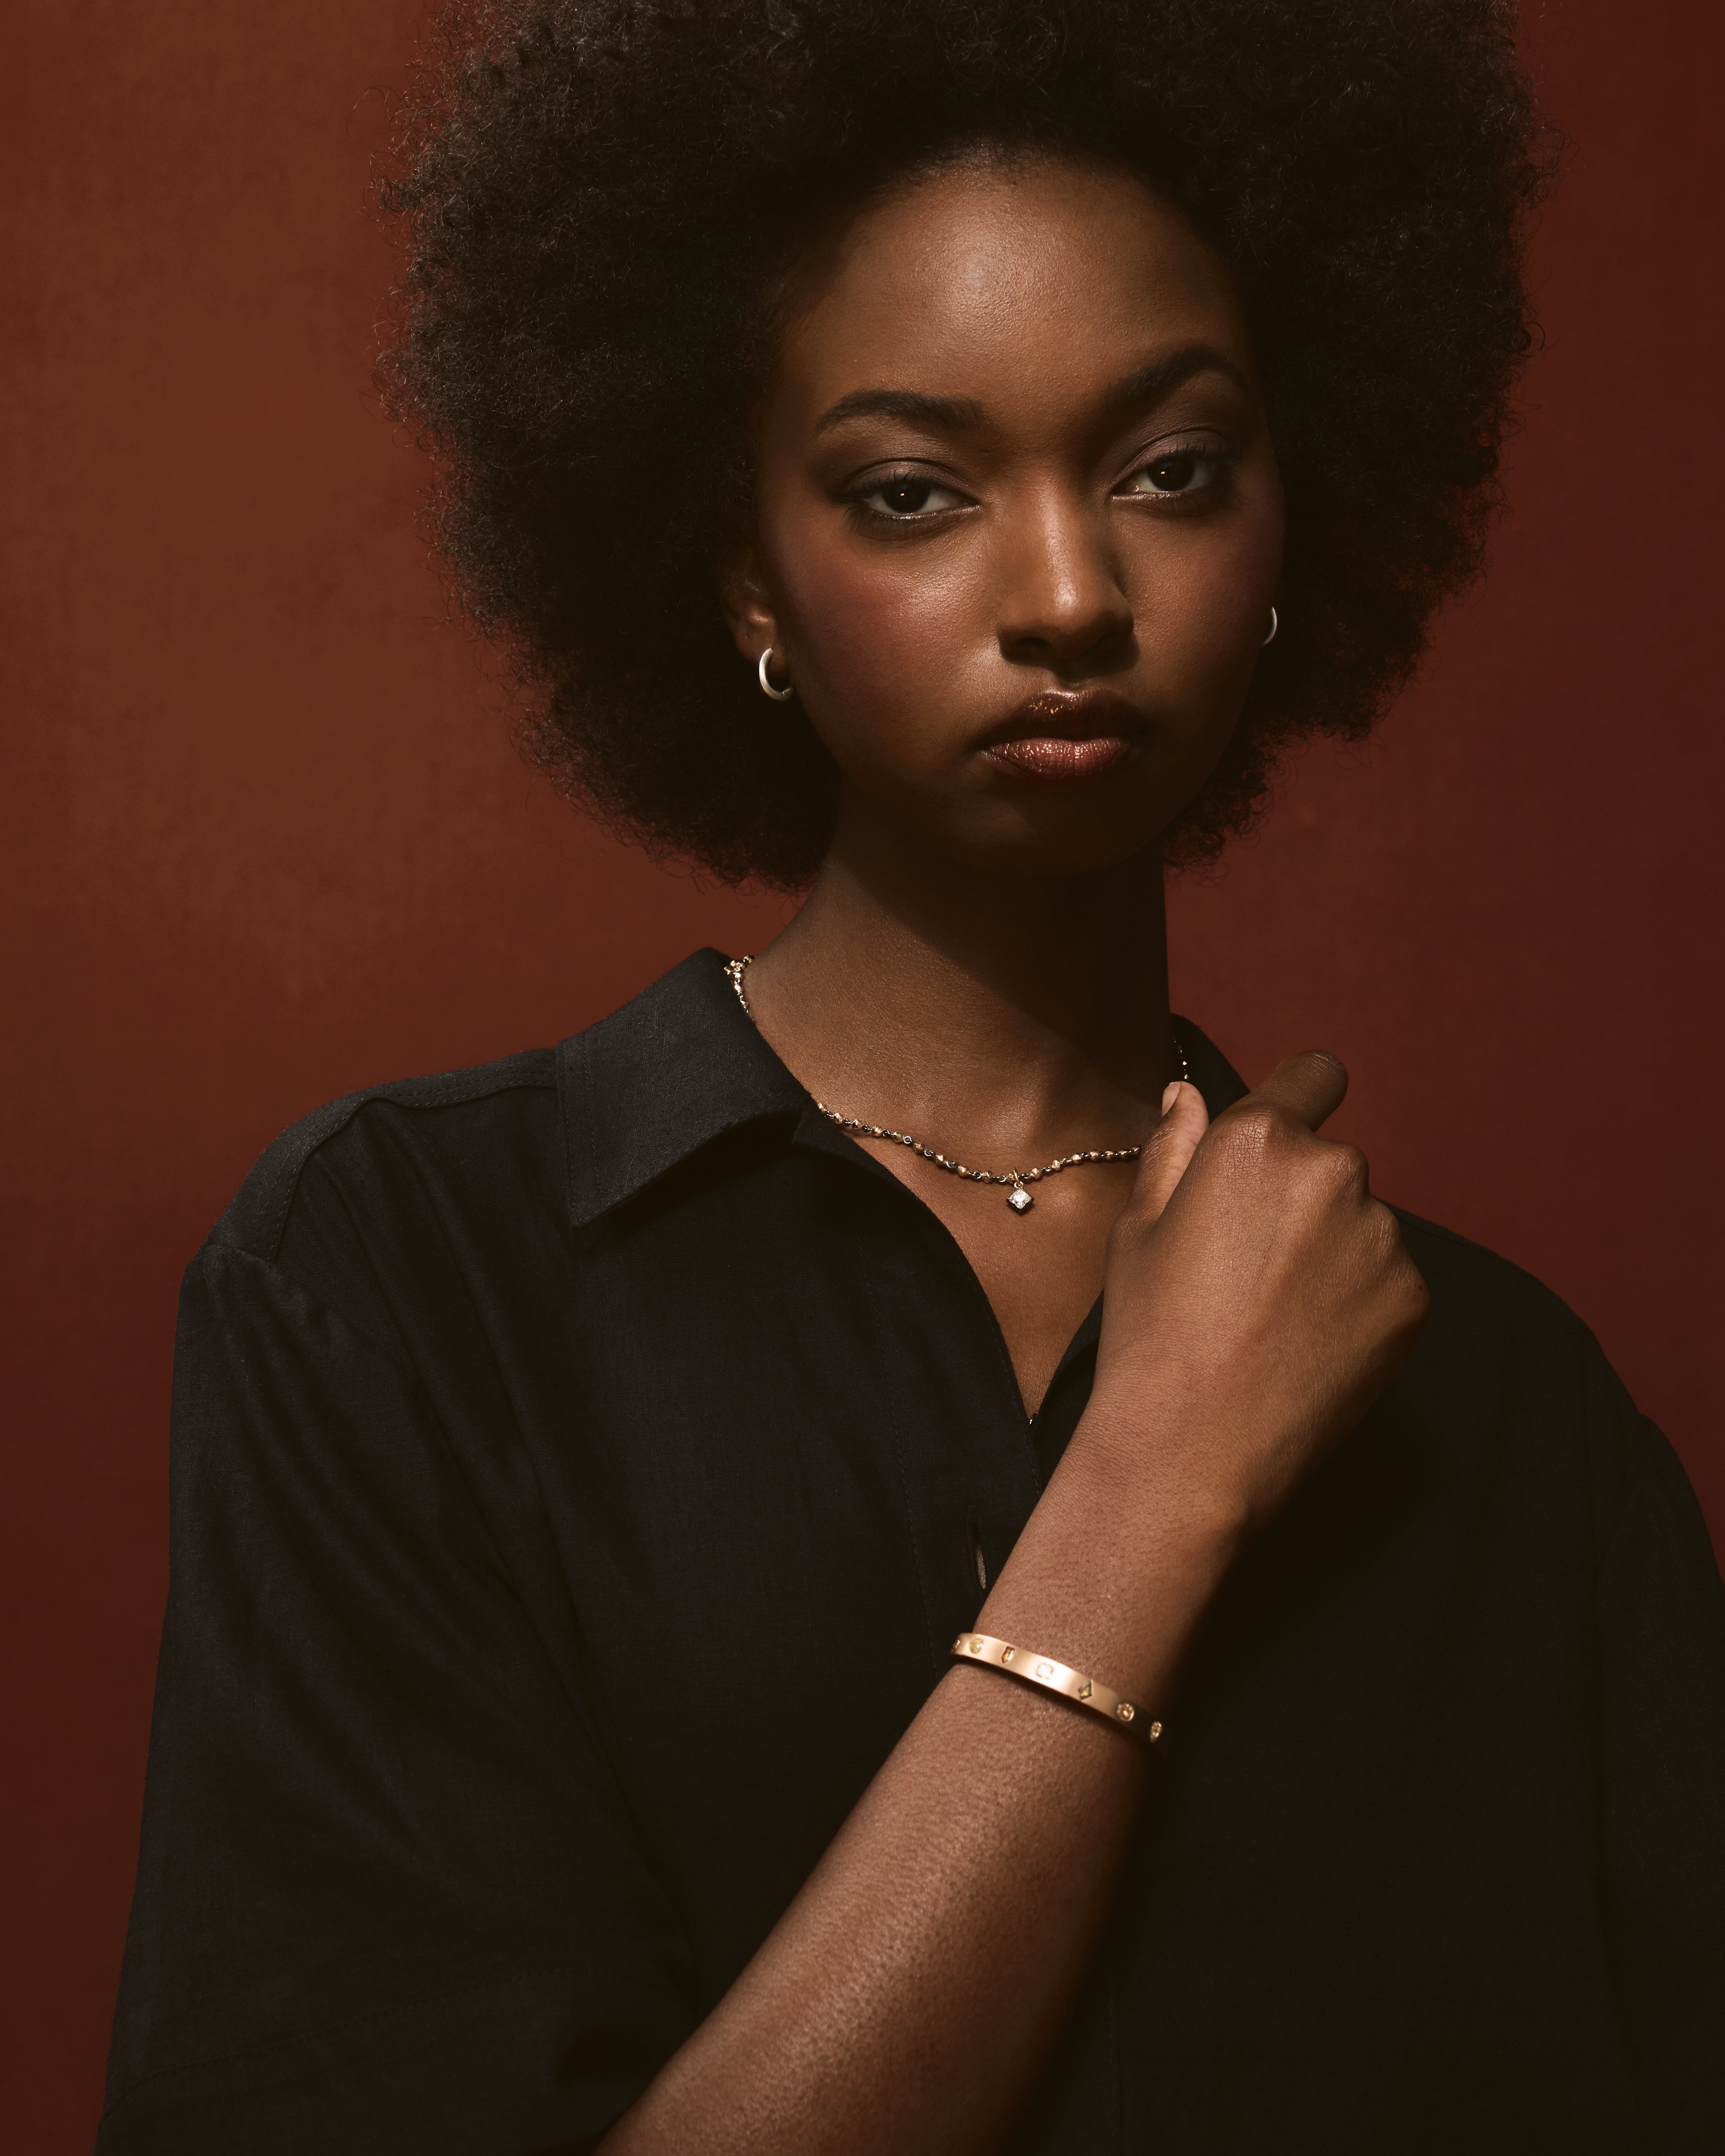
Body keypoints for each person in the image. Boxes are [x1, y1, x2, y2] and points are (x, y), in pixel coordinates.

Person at [97, 2, 1725, 2151]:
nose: (1068, 593)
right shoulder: (407, 1287)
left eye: (1168, 468)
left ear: (1284, 530)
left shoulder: (1513, 1424)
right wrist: (1152, 1489)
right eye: (910, 491)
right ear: (744, 567)